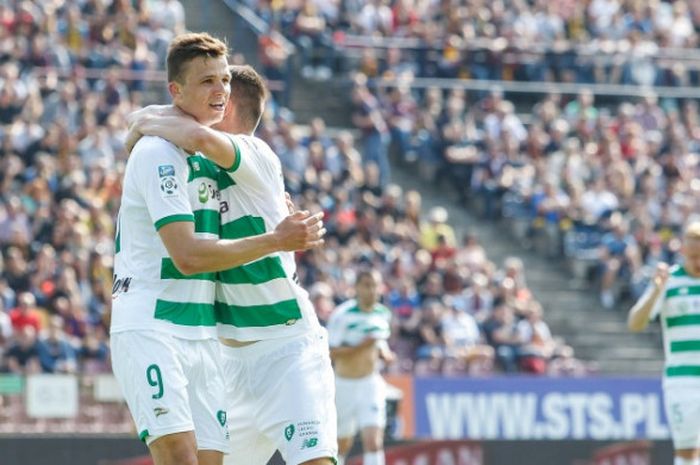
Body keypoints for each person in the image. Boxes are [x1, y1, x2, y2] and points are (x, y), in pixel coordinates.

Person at [112, 35, 326, 465]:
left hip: (227, 336)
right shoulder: (159, 152)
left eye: (224, 81)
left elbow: (195, 134)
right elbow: (188, 257)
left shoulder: (240, 153)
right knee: (180, 456)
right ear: (177, 90)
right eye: (208, 80)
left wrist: (140, 120)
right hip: (155, 322)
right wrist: (276, 239)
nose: (219, 91)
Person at [628, 221, 700, 465]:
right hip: (683, 380)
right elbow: (635, 323)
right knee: (687, 452)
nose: (698, 262)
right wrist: (656, 292)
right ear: (683, 252)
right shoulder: (668, 281)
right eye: (693, 256)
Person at [327, 270, 395, 465]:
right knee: (342, 443)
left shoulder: (383, 314)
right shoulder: (342, 315)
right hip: (344, 384)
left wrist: (386, 354)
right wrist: (360, 347)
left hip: (370, 383)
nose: (372, 290)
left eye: (375, 285)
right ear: (356, 287)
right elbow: (330, 352)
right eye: (367, 285)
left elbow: (379, 343)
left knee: (373, 441)